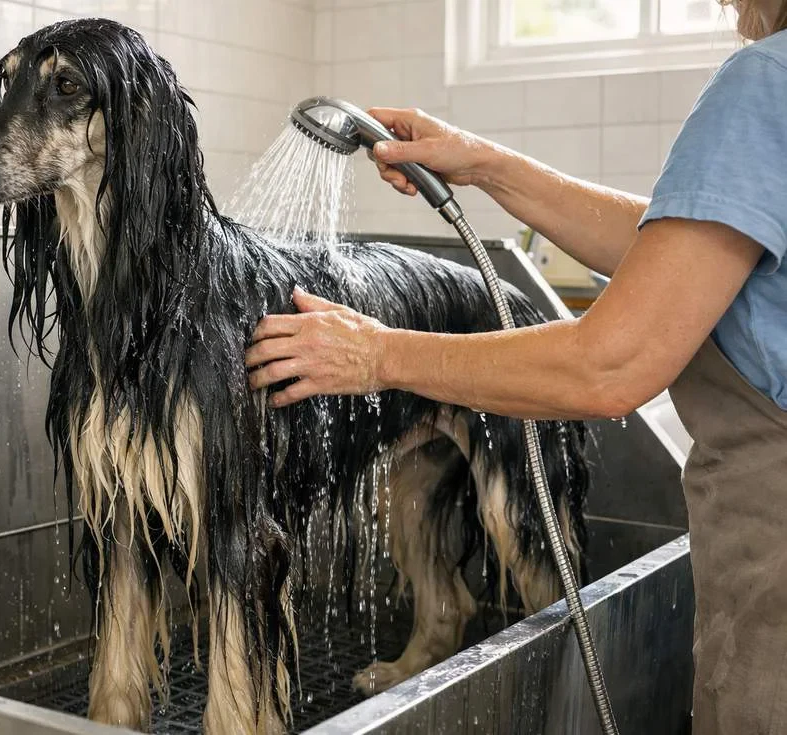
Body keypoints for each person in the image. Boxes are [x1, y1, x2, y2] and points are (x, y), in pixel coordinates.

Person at [245, 1, 787, 732]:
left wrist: (379, 352)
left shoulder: (764, 83)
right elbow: (689, 248)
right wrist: (484, 163)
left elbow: (608, 366)